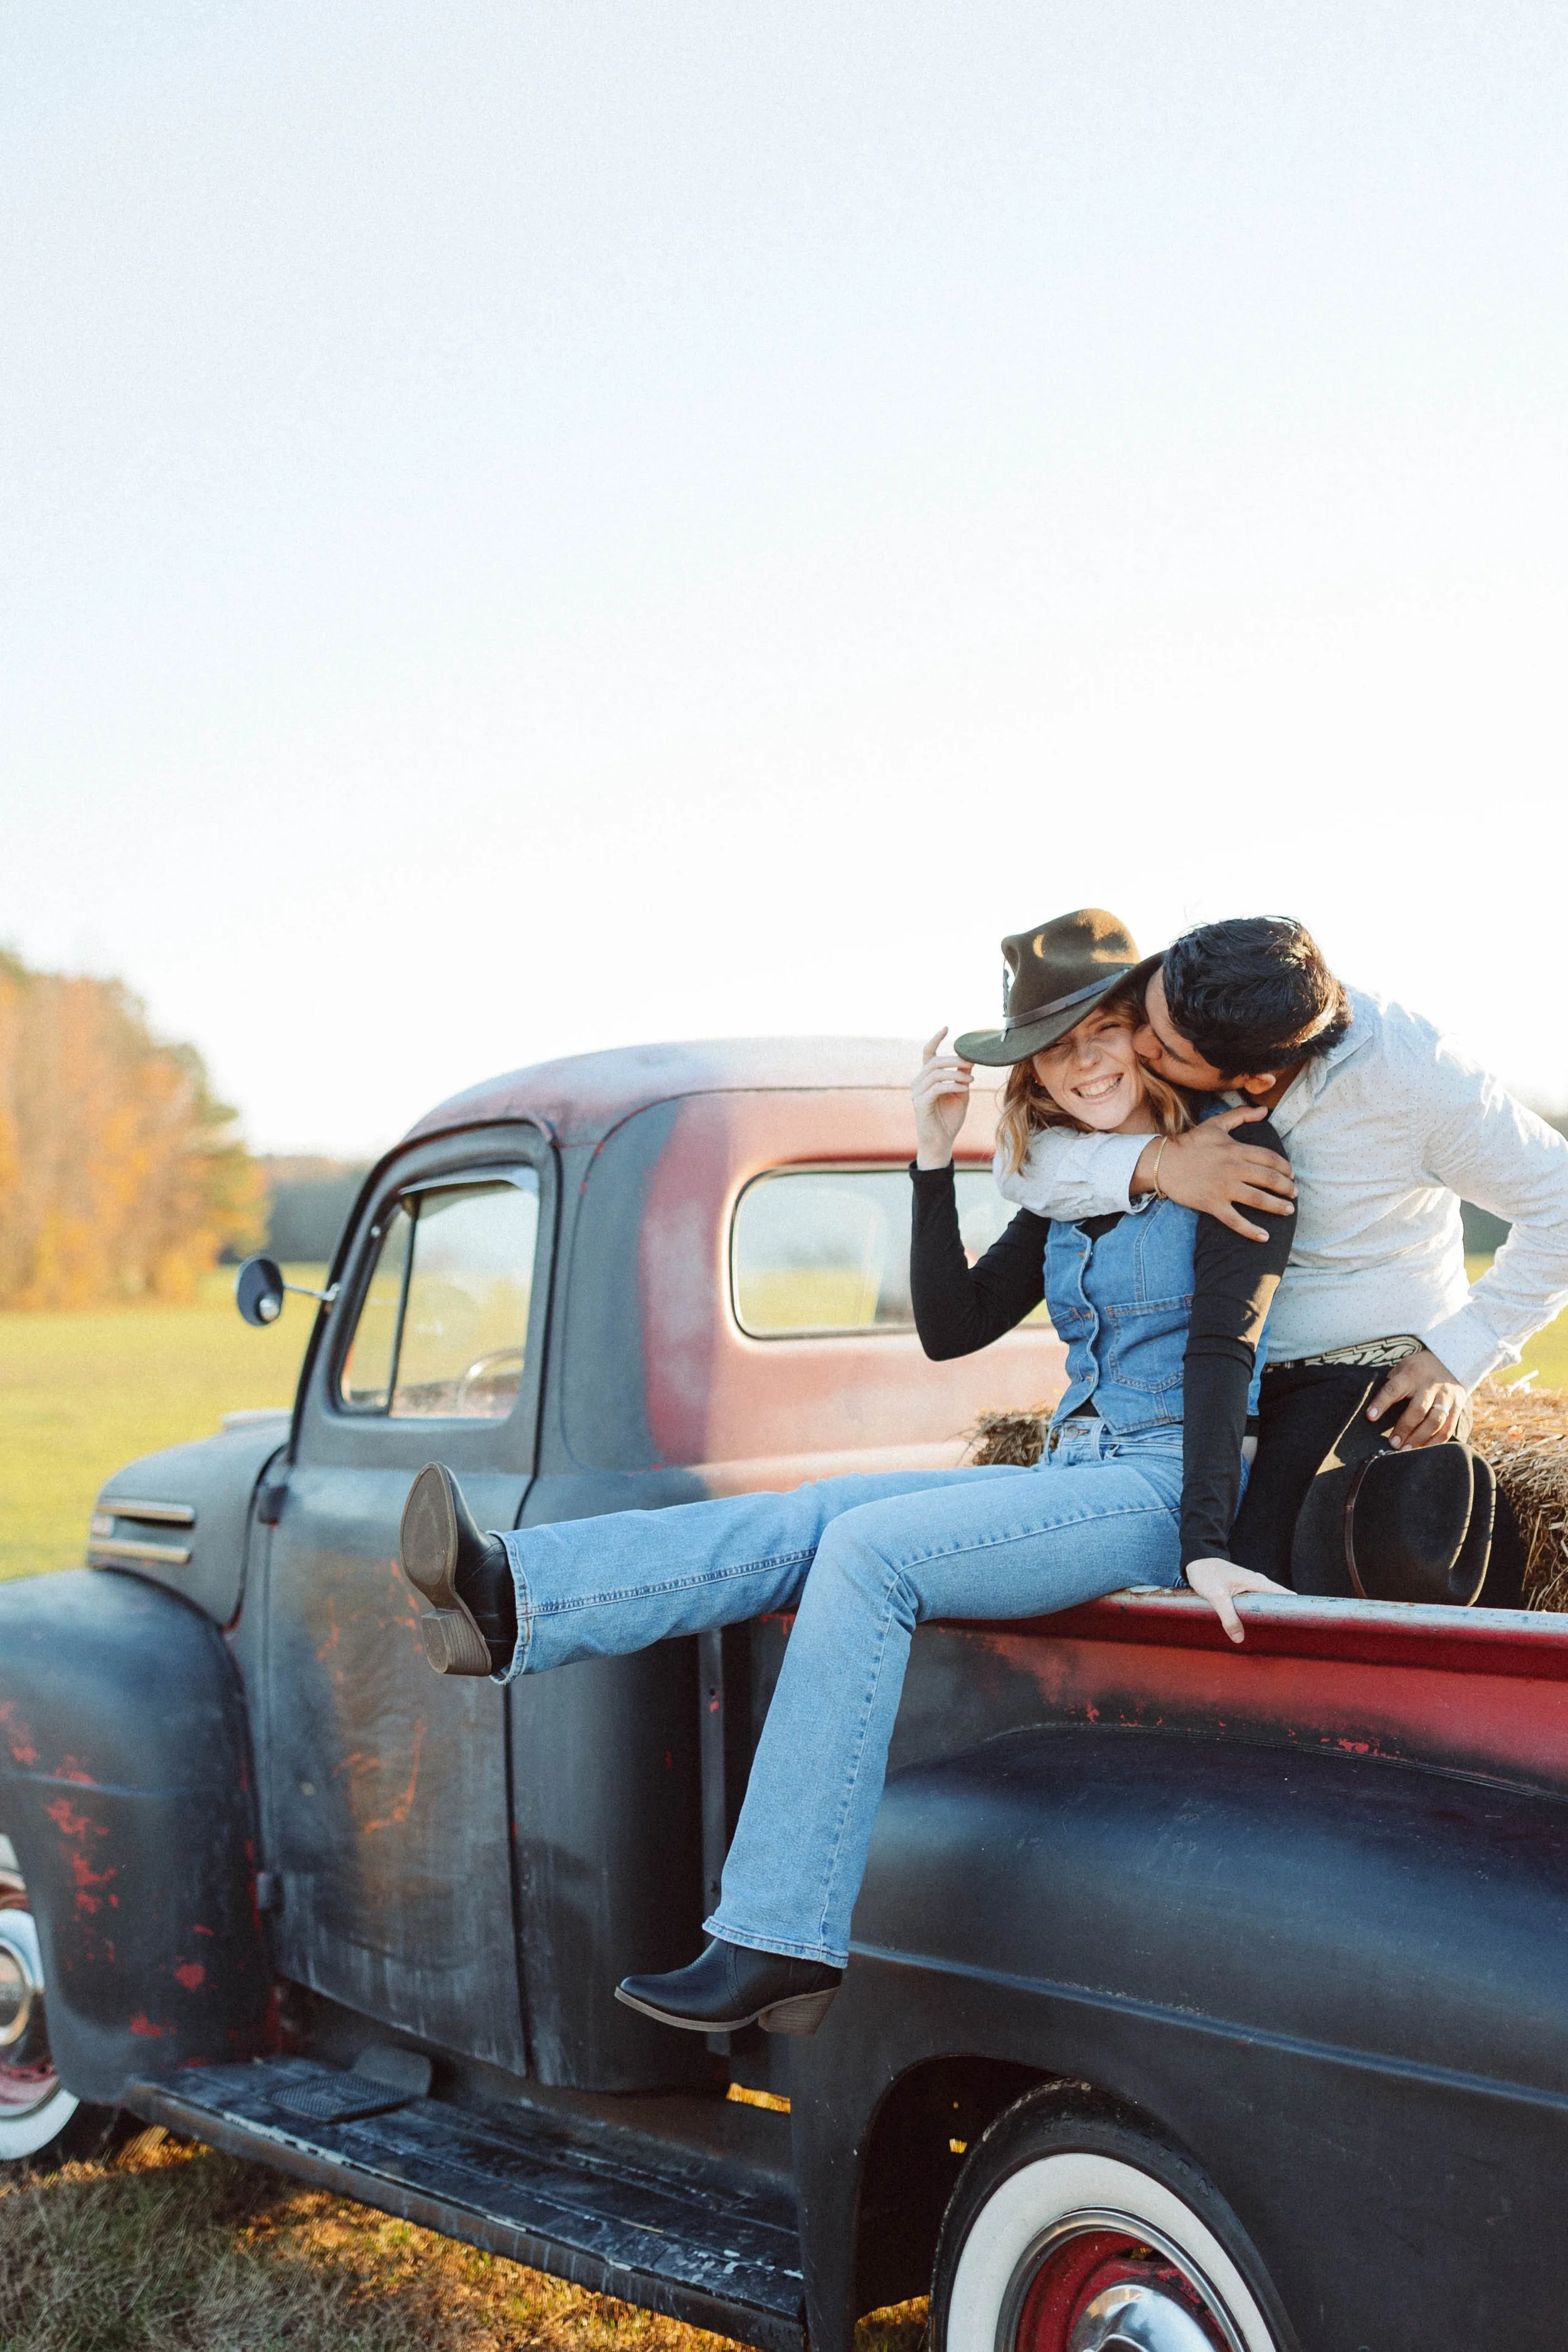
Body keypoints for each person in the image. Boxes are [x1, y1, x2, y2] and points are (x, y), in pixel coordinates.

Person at [396, 908, 1295, 2040]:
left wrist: (1209, 1539)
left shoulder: (1236, 1156)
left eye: (1105, 1031)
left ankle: (777, 1937)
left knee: (872, 1554)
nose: (1085, 1062)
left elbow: (1225, 1349)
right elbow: (953, 1326)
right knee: (816, 1516)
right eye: (1055, 1048)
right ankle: (515, 1598)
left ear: (1147, 1034)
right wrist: (930, 1159)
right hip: (1074, 1470)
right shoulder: (1076, 1188)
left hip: (1167, 1489)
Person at [984, 914, 1568, 1586]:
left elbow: (1557, 1207)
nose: (1137, 1047)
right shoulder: (1195, 1004)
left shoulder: (1422, 1080)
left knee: (1266, 1572)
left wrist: (1461, 1352)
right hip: (1206, 1377)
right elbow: (1019, 1158)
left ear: (1248, 1081)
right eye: (1143, 1014)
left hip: (1351, 1371)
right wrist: (1156, 1163)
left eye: (1164, 1049)